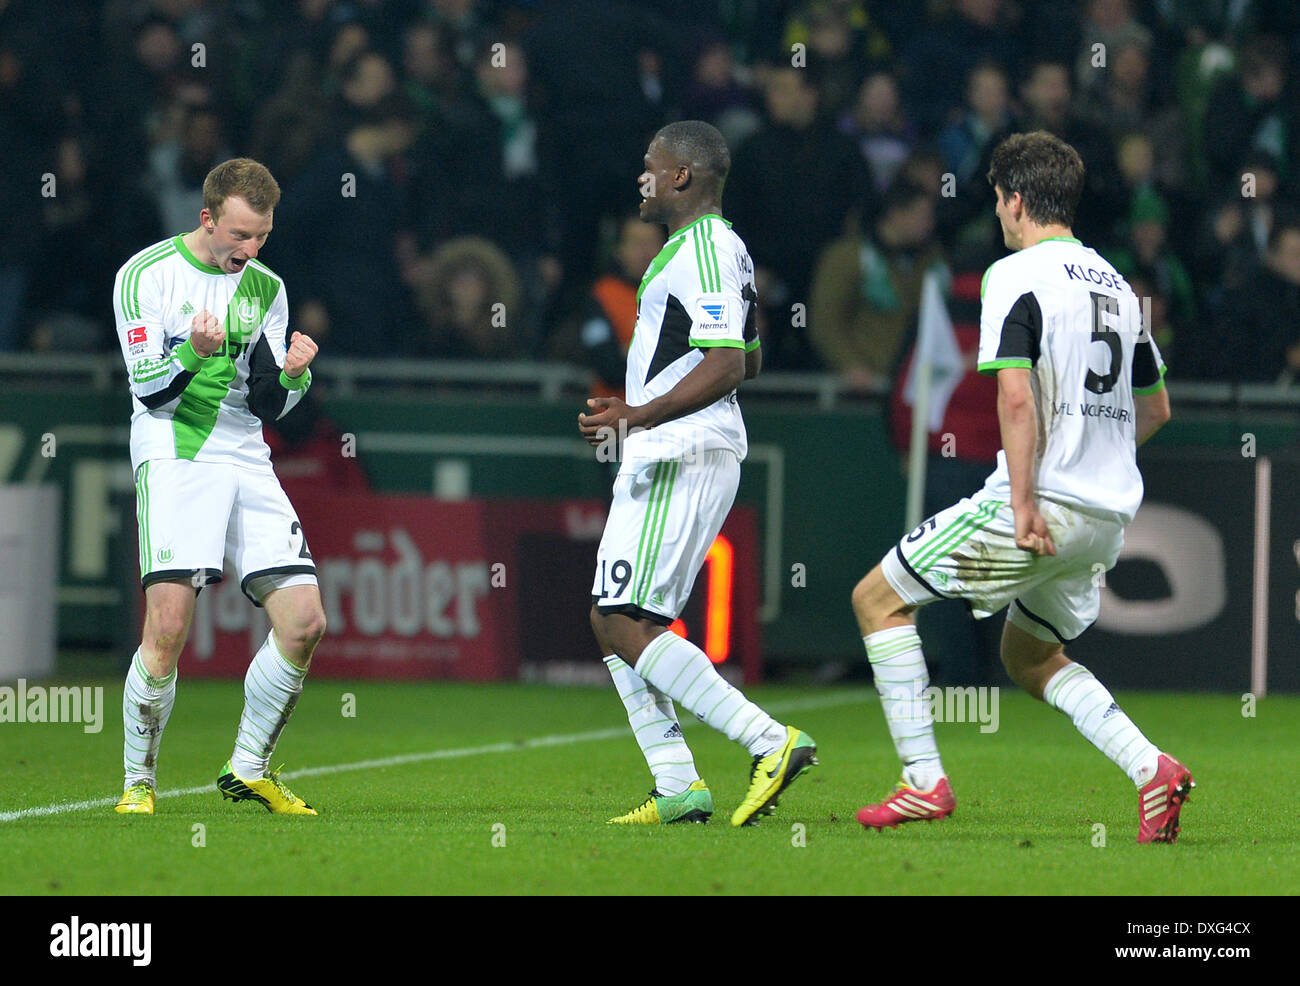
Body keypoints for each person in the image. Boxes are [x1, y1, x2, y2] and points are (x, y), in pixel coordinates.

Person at [849, 131, 1195, 844]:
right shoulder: (1118, 288)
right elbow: (1156, 409)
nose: (998, 214)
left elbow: (1014, 397)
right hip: (1103, 516)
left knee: (877, 601)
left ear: (1013, 200)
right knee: (1028, 656)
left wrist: (1026, 498)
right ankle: (1152, 769)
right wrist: (1094, 459)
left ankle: (922, 782)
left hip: (1042, 505)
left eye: (997, 199)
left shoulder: (1015, 274)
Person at [578, 120, 817, 827]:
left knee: (623, 618)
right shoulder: (708, 251)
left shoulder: (707, 247)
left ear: (681, 176)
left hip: (681, 450)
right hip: (675, 445)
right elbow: (750, 350)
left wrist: (641, 413)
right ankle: (678, 783)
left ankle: (769, 741)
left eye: (650, 167)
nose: (641, 179)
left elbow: (731, 363)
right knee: (614, 618)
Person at [111, 158, 325, 816]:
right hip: (174, 449)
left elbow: (265, 404)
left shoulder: (265, 287)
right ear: (207, 219)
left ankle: (249, 766)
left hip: (243, 453)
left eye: (261, 235)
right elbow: (147, 388)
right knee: (169, 627)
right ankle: (138, 782)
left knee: (305, 621)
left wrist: (292, 377)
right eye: (239, 235)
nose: (250, 249)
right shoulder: (145, 275)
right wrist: (192, 353)